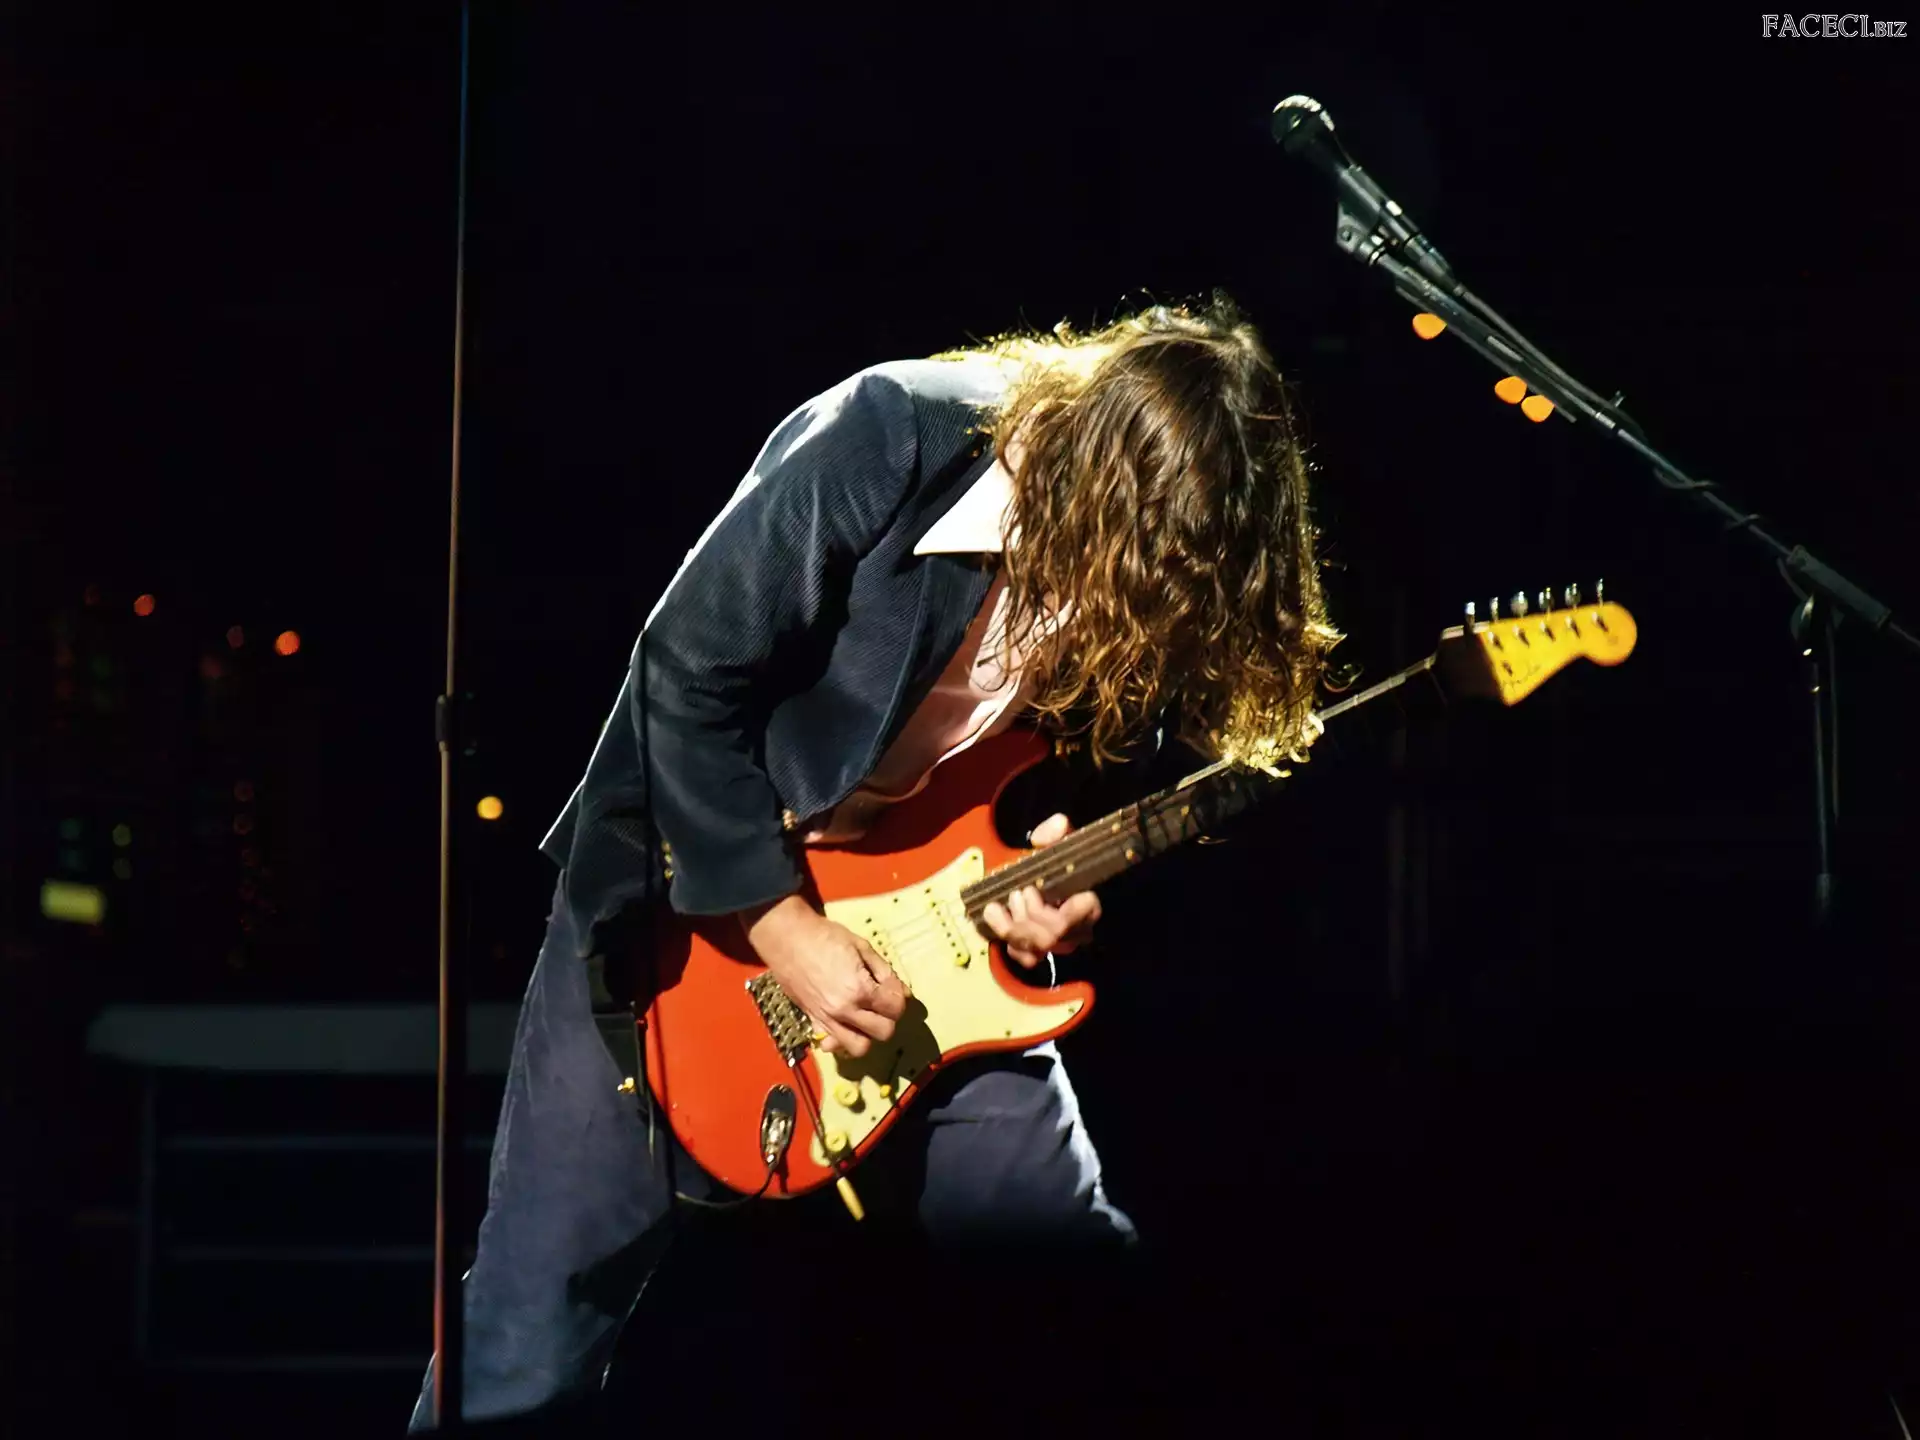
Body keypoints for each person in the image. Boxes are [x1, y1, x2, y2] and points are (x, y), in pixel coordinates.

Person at [408, 295, 1339, 1430]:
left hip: (930, 940)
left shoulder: (1154, 562)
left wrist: (1055, 874)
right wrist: (782, 926)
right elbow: (680, 680)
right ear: (1093, 477)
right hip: (685, 914)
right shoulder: (889, 431)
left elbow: (1064, 774)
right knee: (529, 1343)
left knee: (1078, 1287)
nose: (1126, 612)